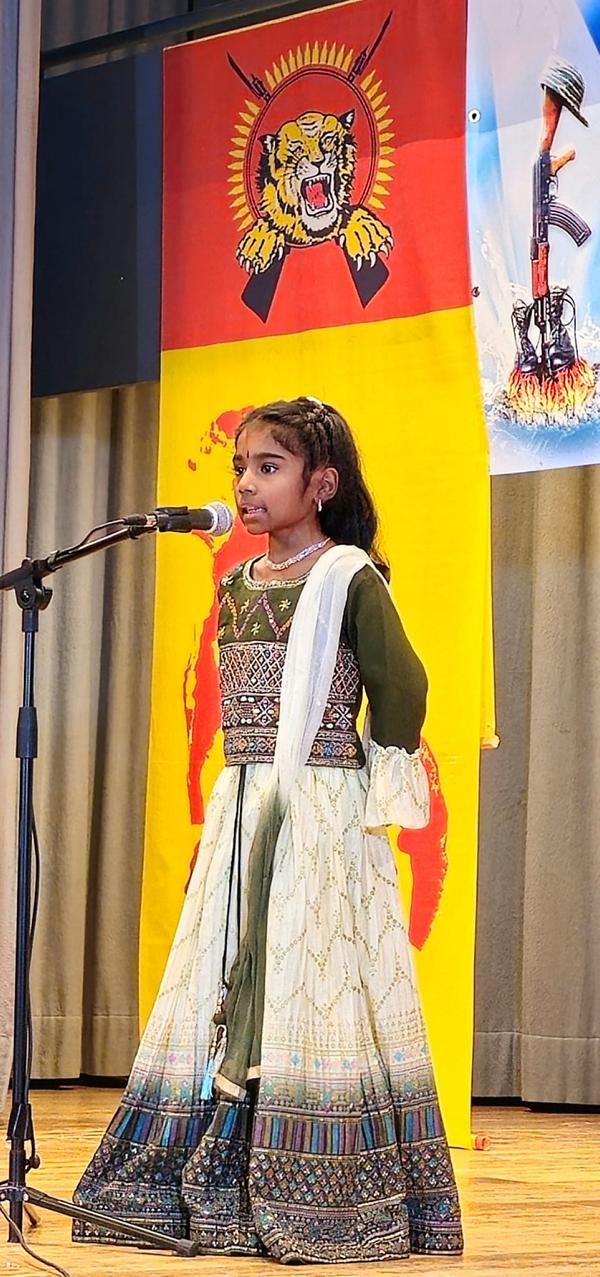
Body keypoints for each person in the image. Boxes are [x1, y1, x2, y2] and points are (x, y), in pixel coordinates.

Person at [73, 396, 463, 1261]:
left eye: (268, 467)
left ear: (321, 484)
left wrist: (360, 780)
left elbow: (404, 688)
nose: (246, 485)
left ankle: (315, 1183)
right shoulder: (237, 583)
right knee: (229, 969)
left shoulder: (350, 578)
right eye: (240, 468)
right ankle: (215, 1164)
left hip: (318, 810)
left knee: (306, 979)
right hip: (244, 804)